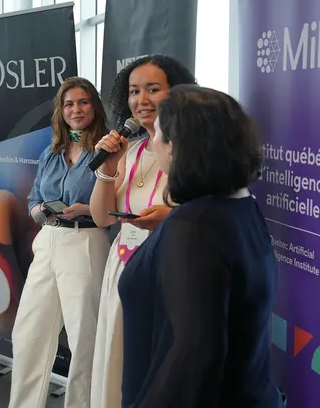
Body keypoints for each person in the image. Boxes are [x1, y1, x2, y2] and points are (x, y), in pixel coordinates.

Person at [119, 85, 285, 407]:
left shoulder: (194, 226)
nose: (153, 141)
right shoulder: (241, 205)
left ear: (178, 147)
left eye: (160, 134)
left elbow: (194, 357)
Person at [88, 55, 197, 408]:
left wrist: (170, 217)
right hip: (124, 265)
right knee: (119, 357)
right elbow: (103, 218)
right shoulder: (128, 150)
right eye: (135, 91)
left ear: (177, 93)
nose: (142, 100)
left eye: (153, 89)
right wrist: (108, 166)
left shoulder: (193, 152)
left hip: (172, 269)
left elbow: (210, 215)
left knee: (159, 362)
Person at [8, 78, 111, 408]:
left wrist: (89, 209)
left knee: (84, 339)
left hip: (86, 241)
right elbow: (34, 198)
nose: (76, 109)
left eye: (82, 102)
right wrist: (38, 210)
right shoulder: (51, 153)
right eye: (69, 104)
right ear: (60, 111)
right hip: (49, 240)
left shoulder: (108, 151)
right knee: (29, 333)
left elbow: (117, 205)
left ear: (93, 106)